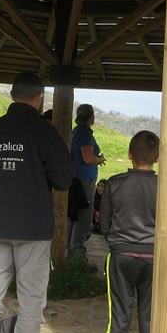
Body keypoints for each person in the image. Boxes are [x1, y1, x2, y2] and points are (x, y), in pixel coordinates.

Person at [0, 72, 71, 333]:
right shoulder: (45, 131)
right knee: (30, 299)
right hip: (33, 228)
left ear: (12, 95)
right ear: (39, 98)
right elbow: (64, 179)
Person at [96, 130, 159, 333]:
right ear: (157, 158)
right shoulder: (164, 185)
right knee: (149, 319)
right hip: (155, 257)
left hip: (121, 256)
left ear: (130, 155)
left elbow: (104, 224)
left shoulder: (114, 183)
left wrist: (118, 243)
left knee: (119, 317)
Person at [70, 103, 105, 253]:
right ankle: (76, 253)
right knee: (83, 217)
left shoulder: (76, 131)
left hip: (76, 178)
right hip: (84, 180)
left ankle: (70, 250)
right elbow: (88, 158)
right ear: (91, 117)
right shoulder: (84, 133)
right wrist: (99, 159)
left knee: (73, 216)